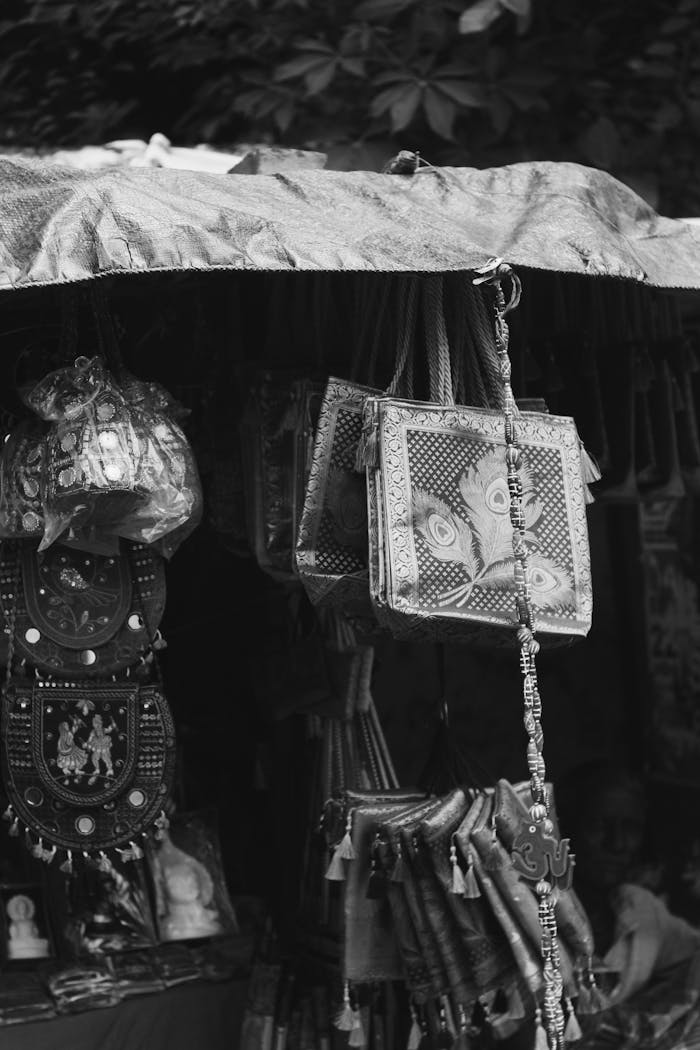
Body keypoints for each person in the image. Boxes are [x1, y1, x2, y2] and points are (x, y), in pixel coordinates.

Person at [554, 761, 700, 1047]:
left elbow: (692, 955)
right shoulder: (532, 918)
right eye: (599, 825)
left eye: (631, 828)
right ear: (563, 827)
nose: (618, 843)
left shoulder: (639, 909)